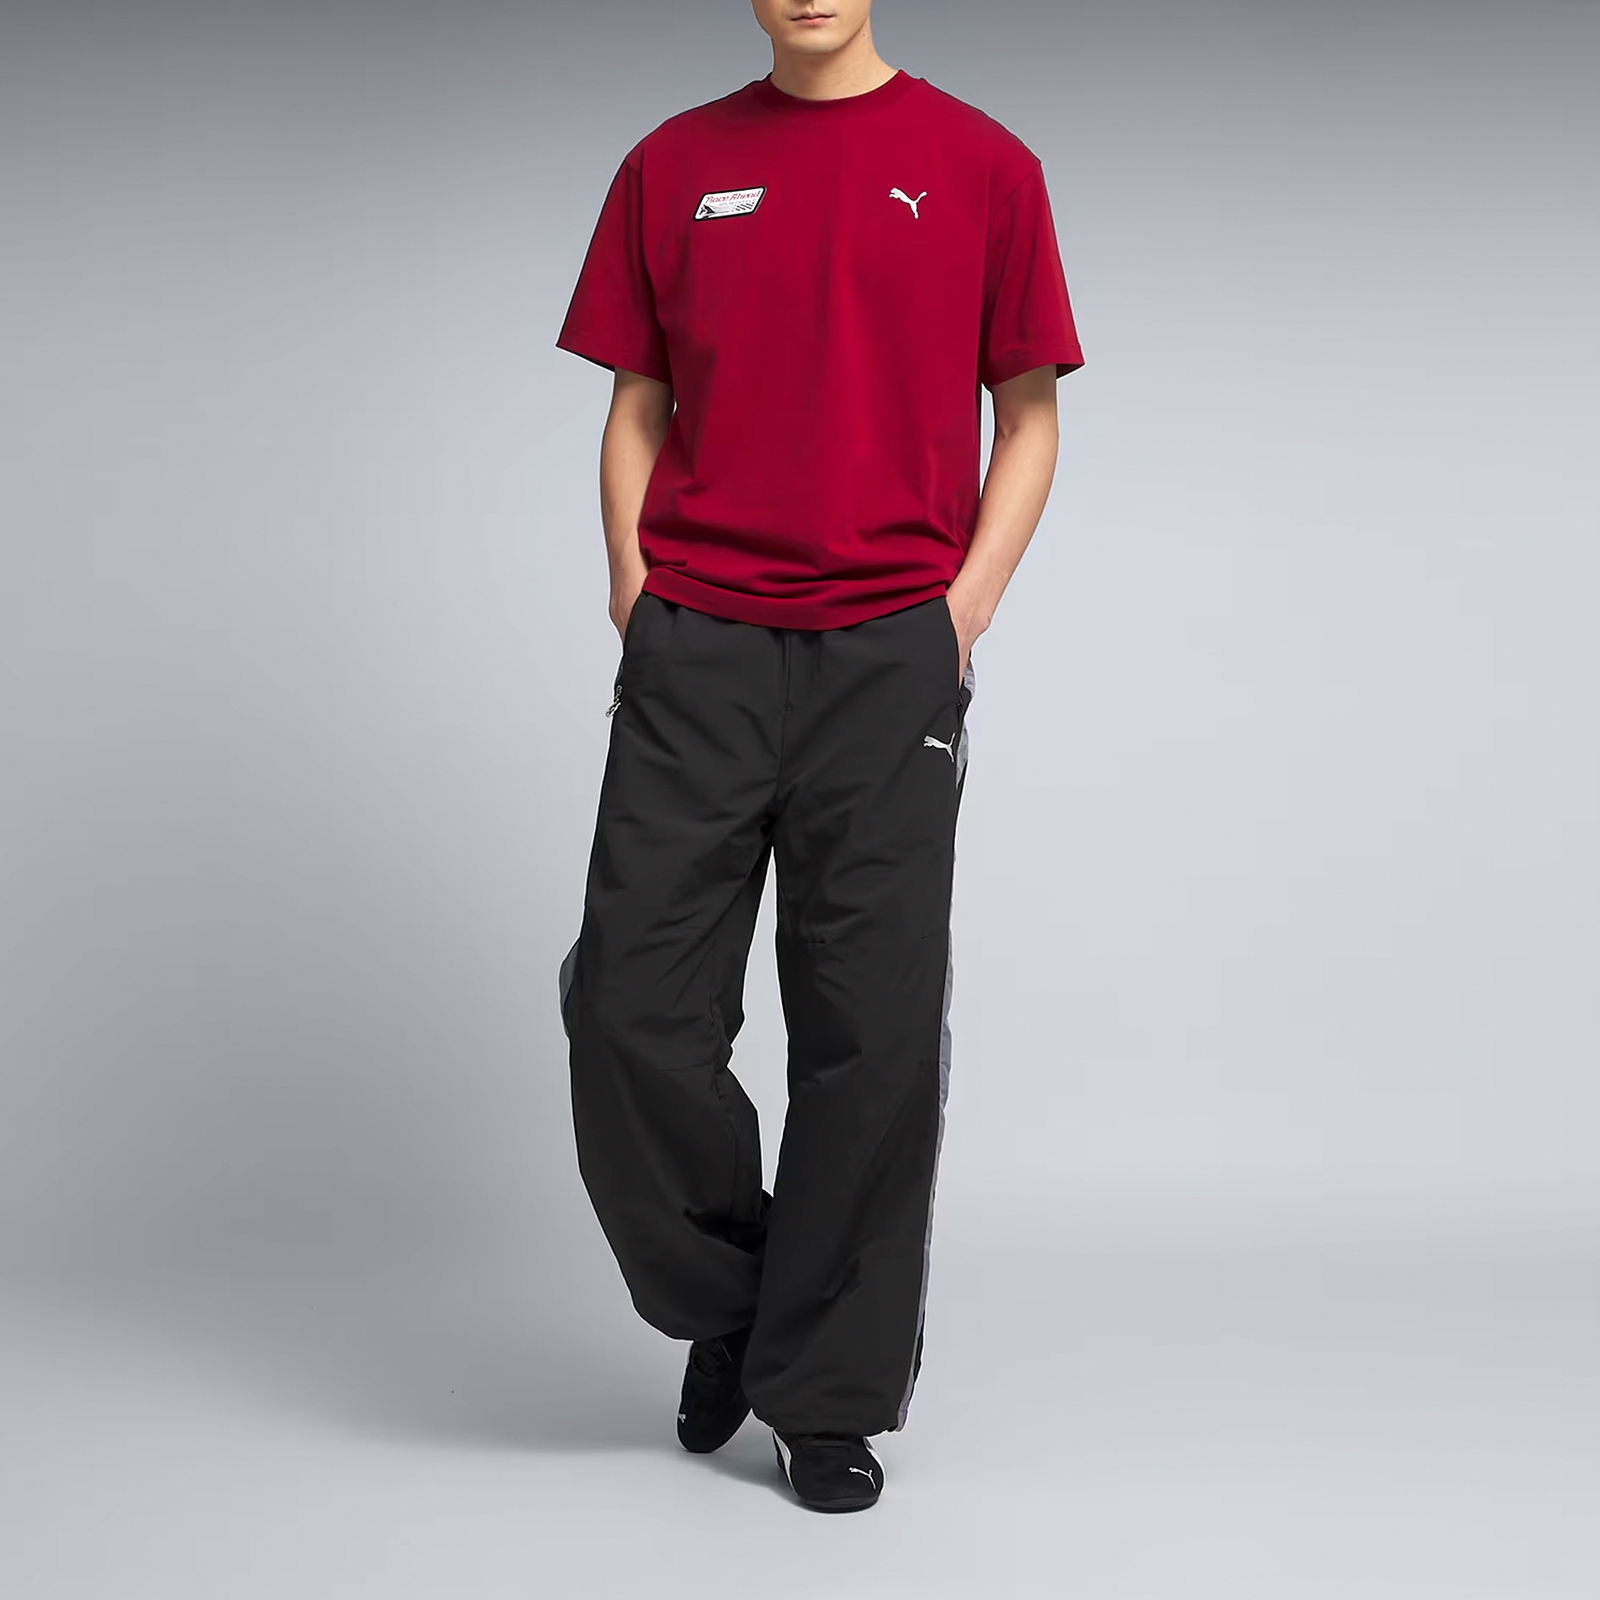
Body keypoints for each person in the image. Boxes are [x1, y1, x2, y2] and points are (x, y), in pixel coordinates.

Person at [555, 0, 1081, 1513]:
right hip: (700, 648)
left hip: (885, 656)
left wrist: (959, 615)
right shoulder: (671, 164)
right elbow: (636, 403)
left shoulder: (984, 165)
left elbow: (1029, 416)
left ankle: (826, 1395)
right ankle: (738, 1299)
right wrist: (634, 587)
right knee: (627, 1012)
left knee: (871, 1034)